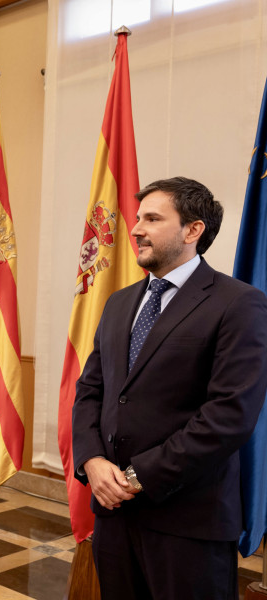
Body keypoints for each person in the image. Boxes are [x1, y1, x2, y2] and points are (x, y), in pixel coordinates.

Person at [72, 177, 267, 600]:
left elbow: (228, 416)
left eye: (153, 218)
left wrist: (139, 476)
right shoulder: (119, 302)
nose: (135, 228)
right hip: (113, 514)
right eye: (138, 217)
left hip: (188, 522)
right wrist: (91, 461)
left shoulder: (238, 303)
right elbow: (91, 390)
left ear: (192, 230)